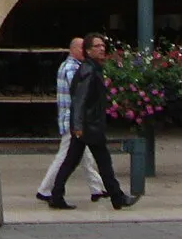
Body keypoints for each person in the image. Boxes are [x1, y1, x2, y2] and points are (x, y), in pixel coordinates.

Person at [47, 34, 135, 210]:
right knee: (103, 161)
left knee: (71, 161)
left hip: (88, 125)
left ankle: (56, 195)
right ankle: (117, 197)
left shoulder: (92, 68)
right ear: (88, 51)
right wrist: (78, 126)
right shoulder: (88, 70)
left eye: (103, 45)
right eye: (97, 46)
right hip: (89, 126)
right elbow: (80, 100)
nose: (102, 48)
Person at [36, 36, 104, 204]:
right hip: (73, 121)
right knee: (64, 156)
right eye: (82, 49)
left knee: (85, 156)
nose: (85, 52)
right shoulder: (73, 68)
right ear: (73, 50)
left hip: (73, 120)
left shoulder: (69, 66)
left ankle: (98, 188)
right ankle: (45, 190)